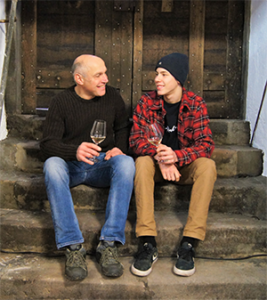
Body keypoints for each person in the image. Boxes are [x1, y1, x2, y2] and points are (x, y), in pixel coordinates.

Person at [40, 54, 135, 281]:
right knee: (52, 164)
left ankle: (109, 244)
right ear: (79, 79)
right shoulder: (61, 101)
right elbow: (47, 144)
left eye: (105, 73)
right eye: (98, 75)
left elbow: (123, 128)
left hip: (101, 165)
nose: (105, 79)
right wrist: (74, 151)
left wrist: (119, 149)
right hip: (72, 167)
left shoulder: (112, 97)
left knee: (126, 163)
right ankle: (73, 247)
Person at [129, 53, 216, 277]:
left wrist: (176, 156)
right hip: (156, 167)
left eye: (164, 74)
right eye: (157, 74)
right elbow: (136, 141)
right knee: (141, 162)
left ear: (178, 79)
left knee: (207, 166)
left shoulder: (196, 104)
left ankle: (189, 243)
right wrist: (161, 158)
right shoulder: (146, 102)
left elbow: (205, 144)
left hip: (183, 166)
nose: (157, 79)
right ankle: (147, 242)